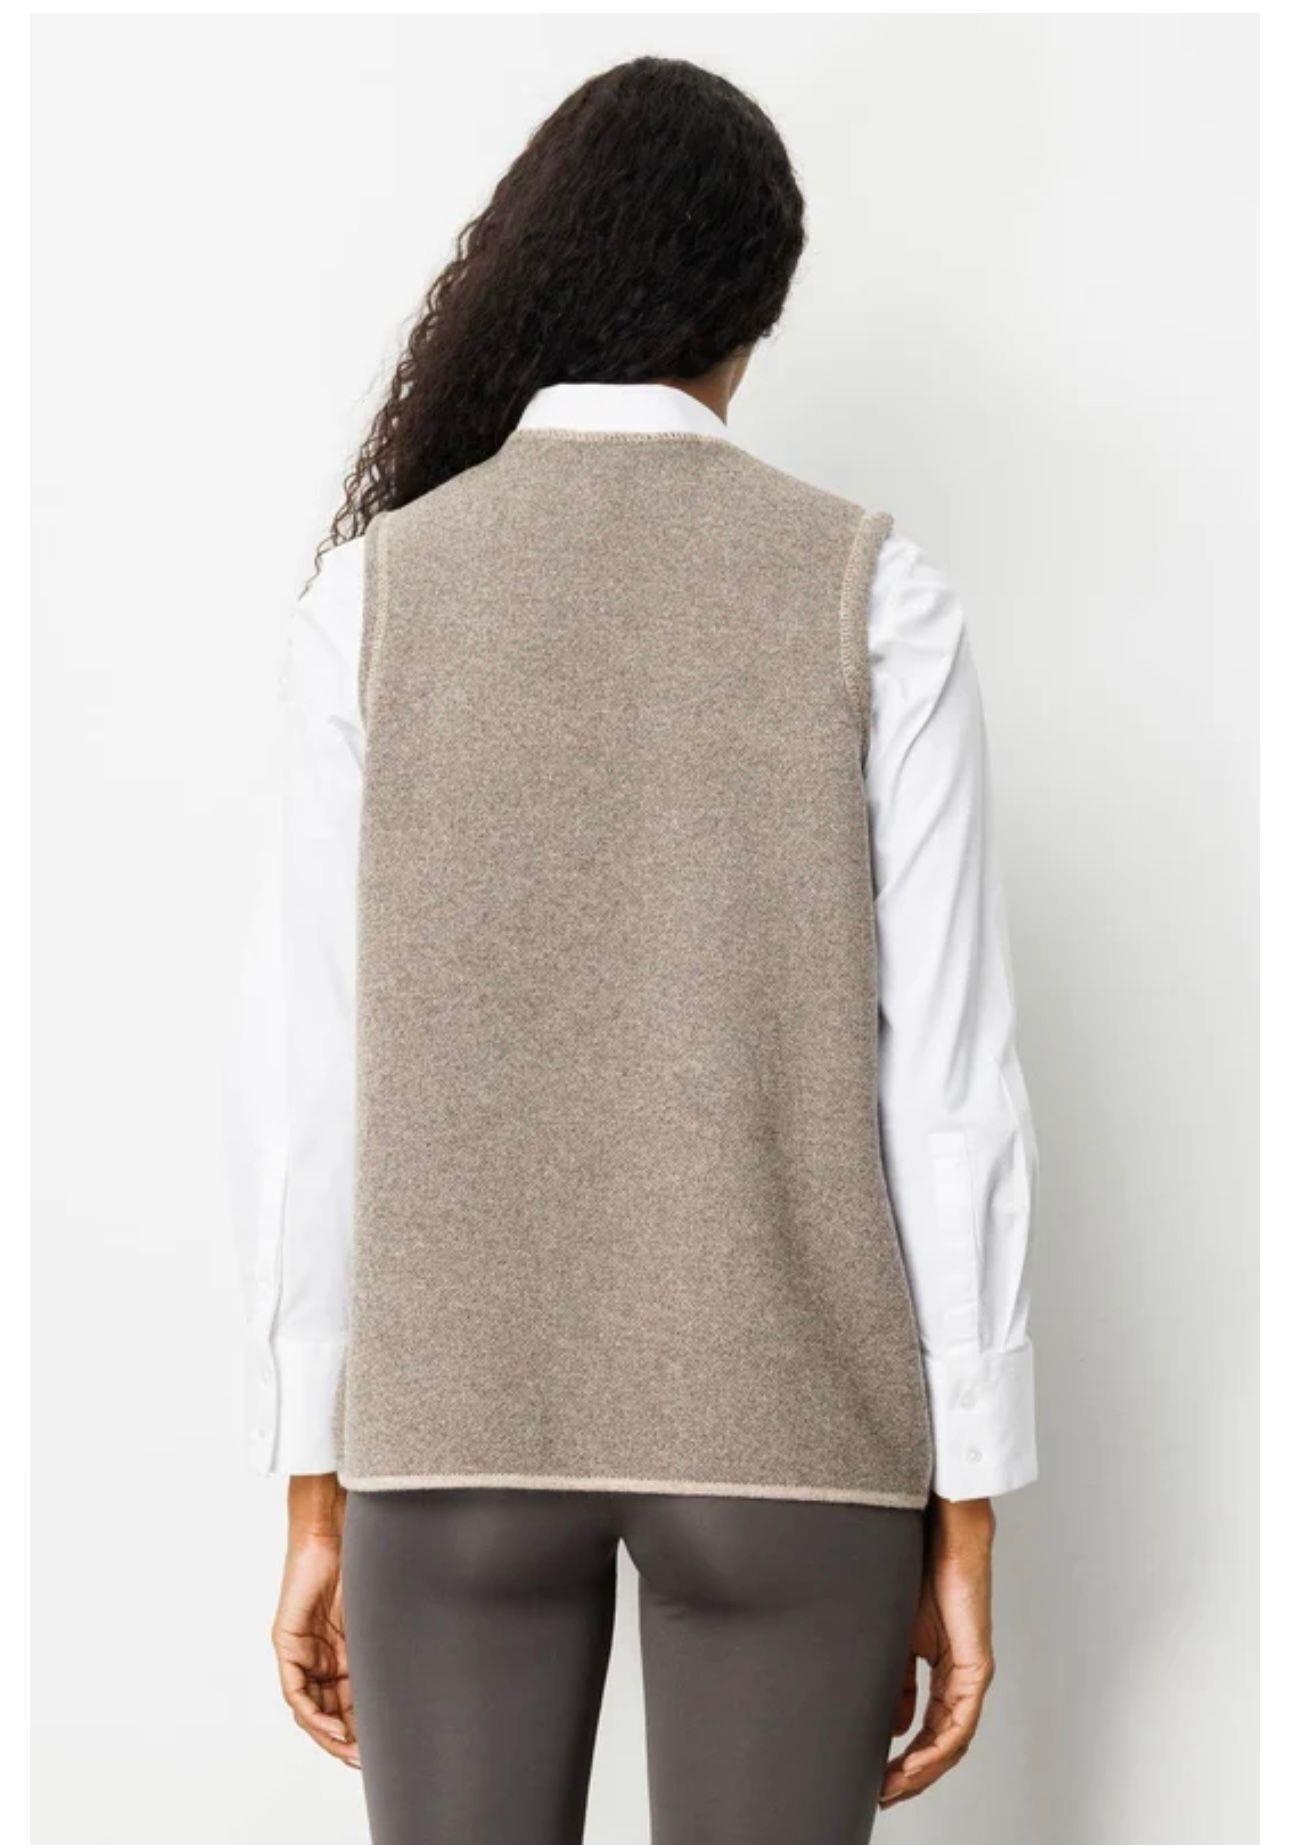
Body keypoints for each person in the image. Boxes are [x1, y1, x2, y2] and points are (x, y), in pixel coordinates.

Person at [228, 55, 1037, 1845]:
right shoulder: (873, 594)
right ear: (749, 312)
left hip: (448, 1420)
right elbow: (951, 1087)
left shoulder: (372, 599)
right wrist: (968, 1499)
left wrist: (310, 1470)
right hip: (793, 1428)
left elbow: (306, 1077)